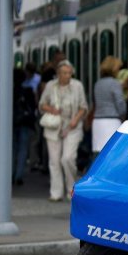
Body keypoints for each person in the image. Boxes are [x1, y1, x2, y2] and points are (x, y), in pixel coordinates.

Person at [38, 60, 88, 202]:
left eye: (69, 73)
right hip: (53, 127)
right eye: (64, 73)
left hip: (72, 126)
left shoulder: (77, 86)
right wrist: (52, 109)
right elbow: (42, 104)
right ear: (58, 74)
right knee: (54, 161)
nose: (67, 75)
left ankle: (71, 189)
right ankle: (56, 193)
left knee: (67, 158)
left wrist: (75, 120)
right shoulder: (50, 85)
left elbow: (83, 106)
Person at [92, 56, 126, 156]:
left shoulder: (98, 83)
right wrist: (123, 116)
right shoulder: (115, 83)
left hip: (97, 122)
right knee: (113, 152)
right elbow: (120, 104)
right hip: (112, 122)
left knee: (99, 154)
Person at [12, 67, 37, 186]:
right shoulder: (28, 91)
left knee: (12, 148)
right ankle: (19, 175)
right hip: (25, 122)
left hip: (12, 123)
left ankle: (11, 172)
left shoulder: (9, 91)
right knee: (23, 148)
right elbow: (33, 106)